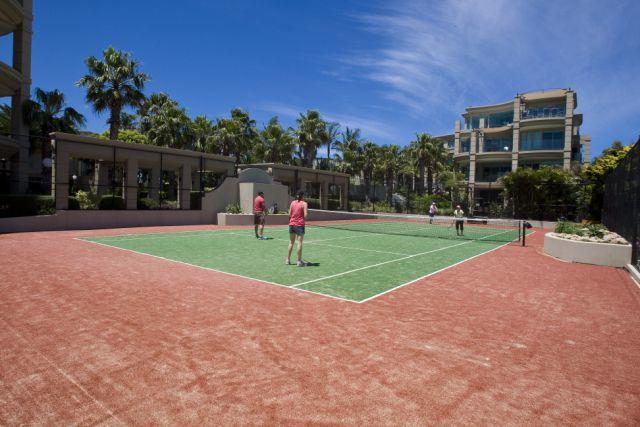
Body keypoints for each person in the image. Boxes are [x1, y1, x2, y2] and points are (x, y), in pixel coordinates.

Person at [286, 191, 309, 267]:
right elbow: (305, 215)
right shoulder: (304, 204)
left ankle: (287, 260)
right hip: (299, 225)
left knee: (291, 242)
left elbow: (289, 214)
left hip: (291, 224)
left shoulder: (292, 203)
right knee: (299, 243)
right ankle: (299, 261)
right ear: (302, 196)